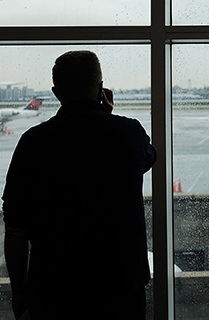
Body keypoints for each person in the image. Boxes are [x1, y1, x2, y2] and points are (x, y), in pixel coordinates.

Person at [2, 51, 156, 319]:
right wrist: (108, 116)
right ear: (100, 88)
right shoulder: (128, 133)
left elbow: (15, 230)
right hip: (118, 285)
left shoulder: (33, 142)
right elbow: (147, 158)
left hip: (54, 288)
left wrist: (19, 294)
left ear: (55, 92)